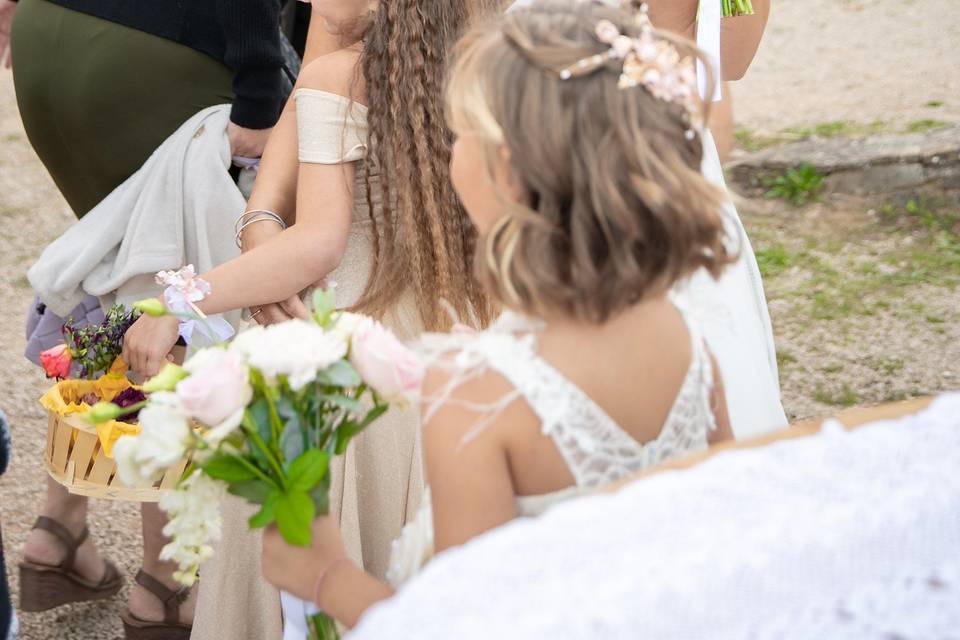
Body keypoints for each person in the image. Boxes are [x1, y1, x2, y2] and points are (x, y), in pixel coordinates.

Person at [260, 0, 734, 628]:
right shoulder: (686, 343)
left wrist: (325, 576)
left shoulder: (477, 393)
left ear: (504, 172)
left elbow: (462, 624)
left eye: (460, 133)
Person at [119, 2, 497, 638]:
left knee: (309, 577)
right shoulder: (486, 70)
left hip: (343, 355)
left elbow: (321, 241)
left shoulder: (344, 78)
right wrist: (265, 246)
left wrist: (180, 300)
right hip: (447, 355)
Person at [3, 1, 305, 637]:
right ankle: (163, 588)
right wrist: (258, 89)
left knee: (124, 271)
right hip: (159, 47)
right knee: (179, 299)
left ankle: (58, 531)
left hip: (46, 36)